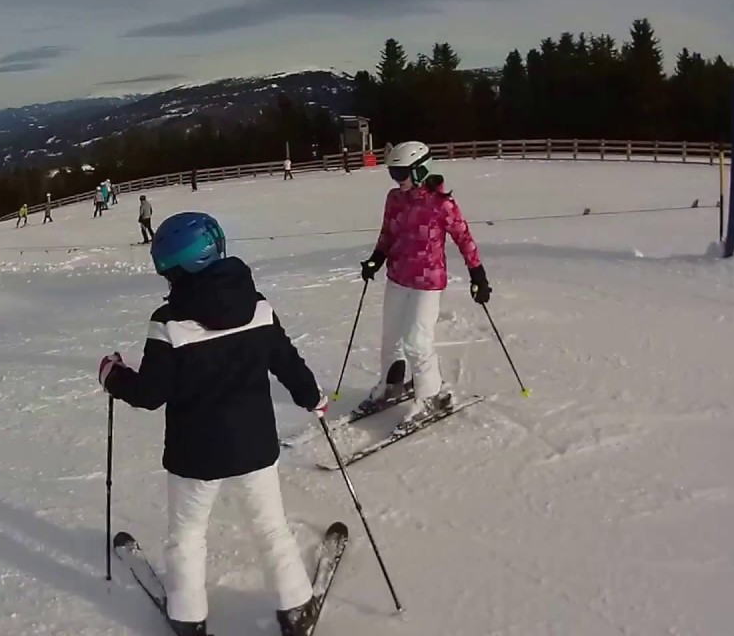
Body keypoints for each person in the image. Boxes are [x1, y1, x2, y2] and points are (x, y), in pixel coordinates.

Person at [98, 212, 326, 636]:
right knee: (271, 528)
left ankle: (188, 617)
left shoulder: (169, 324)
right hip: (255, 447)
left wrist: (113, 376)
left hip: (194, 456)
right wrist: (313, 399)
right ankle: (295, 607)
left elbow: (150, 394)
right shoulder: (258, 308)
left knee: (186, 536)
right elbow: (287, 363)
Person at [358, 141, 490, 424]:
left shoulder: (443, 205)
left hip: (428, 282)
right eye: (393, 173)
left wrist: (477, 275)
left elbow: (464, 238)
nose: (397, 180)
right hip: (397, 277)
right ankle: (391, 384)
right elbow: (387, 233)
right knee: (390, 337)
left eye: (401, 173)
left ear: (419, 170)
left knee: (417, 342)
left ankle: (432, 395)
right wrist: (376, 258)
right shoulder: (394, 198)